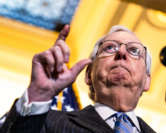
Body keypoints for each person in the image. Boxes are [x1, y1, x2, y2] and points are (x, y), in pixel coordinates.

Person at [0, 25, 156, 133]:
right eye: (110, 47)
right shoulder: (46, 122)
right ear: (89, 75)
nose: (121, 52)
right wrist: (39, 94)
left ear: (147, 80)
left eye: (134, 51)